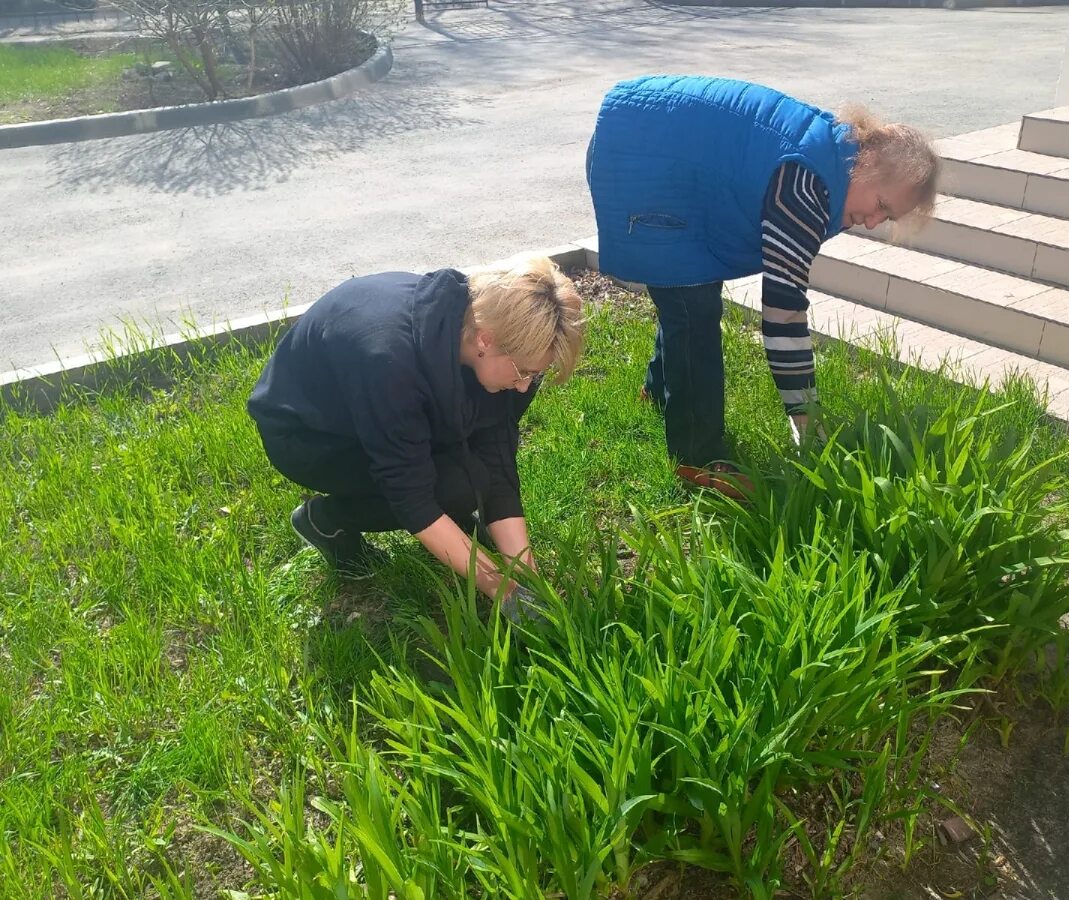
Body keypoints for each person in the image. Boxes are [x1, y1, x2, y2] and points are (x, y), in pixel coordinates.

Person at [586, 75, 940, 497]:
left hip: (650, 145)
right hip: (641, 161)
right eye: (881, 205)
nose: (873, 221)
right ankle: (697, 459)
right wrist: (806, 421)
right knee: (691, 307)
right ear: (865, 163)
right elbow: (784, 314)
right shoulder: (810, 182)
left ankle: (660, 392)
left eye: (889, 218)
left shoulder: (834, 152)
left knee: (685, 292)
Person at [247, 257, 584, 622]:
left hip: (384, 409)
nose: (524, 386)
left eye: (535, 376)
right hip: (313, 433)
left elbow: (495, 453)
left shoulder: (498, 349)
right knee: (452, 488)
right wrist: (503, 592)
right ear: (486, 339)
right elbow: (411, 495)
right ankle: (326, 520)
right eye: (523, 373)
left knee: (473, 476)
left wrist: (525, 574)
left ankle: (452, 533)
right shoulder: (389, 360)